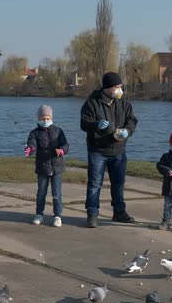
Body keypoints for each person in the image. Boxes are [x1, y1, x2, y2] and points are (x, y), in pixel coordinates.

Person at [80, 72, 138, 228]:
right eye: (116, 87)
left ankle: (119, 212)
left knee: (118, 183)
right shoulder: (92, 103)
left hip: (119, 150)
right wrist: (95, 125)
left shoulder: (123, 102)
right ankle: (92, 214)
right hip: (97, 150)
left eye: (120, 87)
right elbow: (84, 123)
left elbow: (132, 120)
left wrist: (128, 131)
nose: (119, 90)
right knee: (94, 184)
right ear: (107, 88)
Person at [25, 105, 69, 227]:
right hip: (42, 167)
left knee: (57, 193)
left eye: (47, 118)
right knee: (41, 192)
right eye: (43, 118)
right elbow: (32, 143)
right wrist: (30, 149)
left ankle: (57, 216)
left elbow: (65, 144)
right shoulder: (35, 132)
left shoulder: (58, 131)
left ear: (51, 118)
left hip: (57, 166)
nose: (45, 121)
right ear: (39, 118)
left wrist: (61, 150)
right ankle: (39, 214)